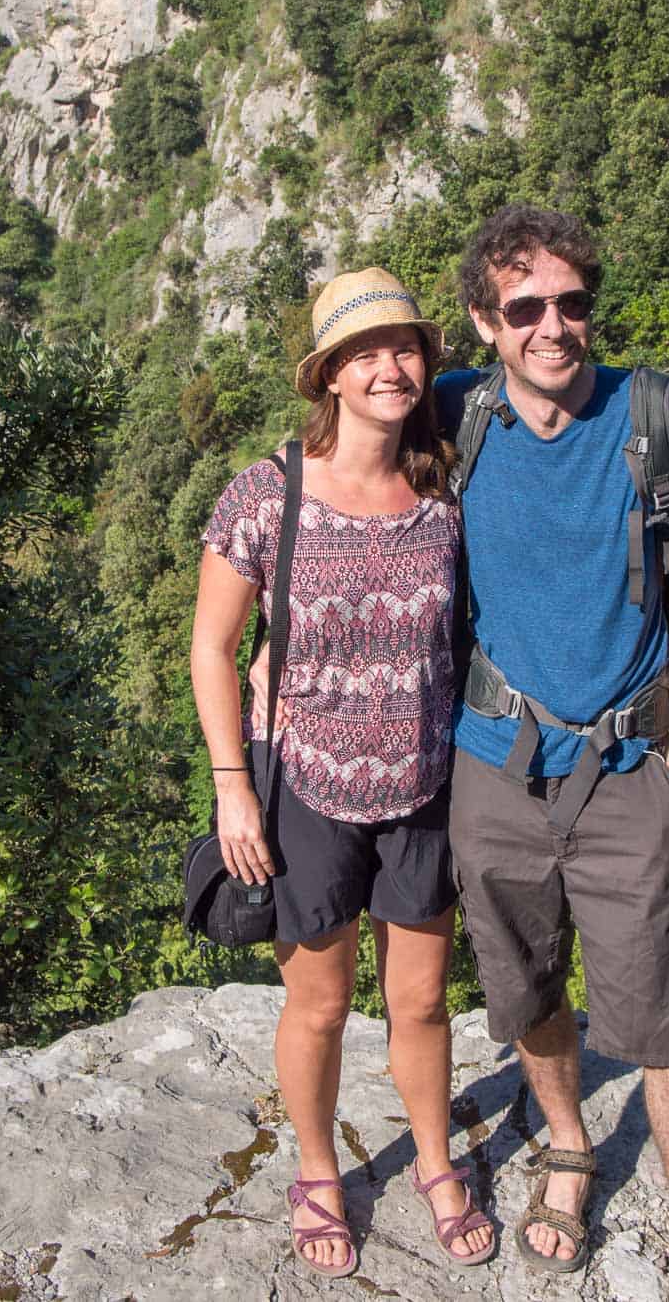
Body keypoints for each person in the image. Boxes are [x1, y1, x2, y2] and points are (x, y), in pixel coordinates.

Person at [436, 206, 669, 1302]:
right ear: (486, 321)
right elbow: (340, 469)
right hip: (491, 762)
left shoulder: (654, 413)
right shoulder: (455, 413)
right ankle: (567, 1144)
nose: (553, 327)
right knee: (522, 986)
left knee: (661, 1011)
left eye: (571, 303)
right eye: (525, 309)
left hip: (624, 769)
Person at [190, 269, 494, 1278]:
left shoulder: (445, 487)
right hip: (306, 784)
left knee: (419, 1003)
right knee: (319, 1005)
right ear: (328, 375)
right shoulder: (267, 493)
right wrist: (234, 784)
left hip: (425, 780)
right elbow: (212, 646)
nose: (388, 366)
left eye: (403, 347)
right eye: (363, 352)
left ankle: (436, 1163)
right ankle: (318, 1169)